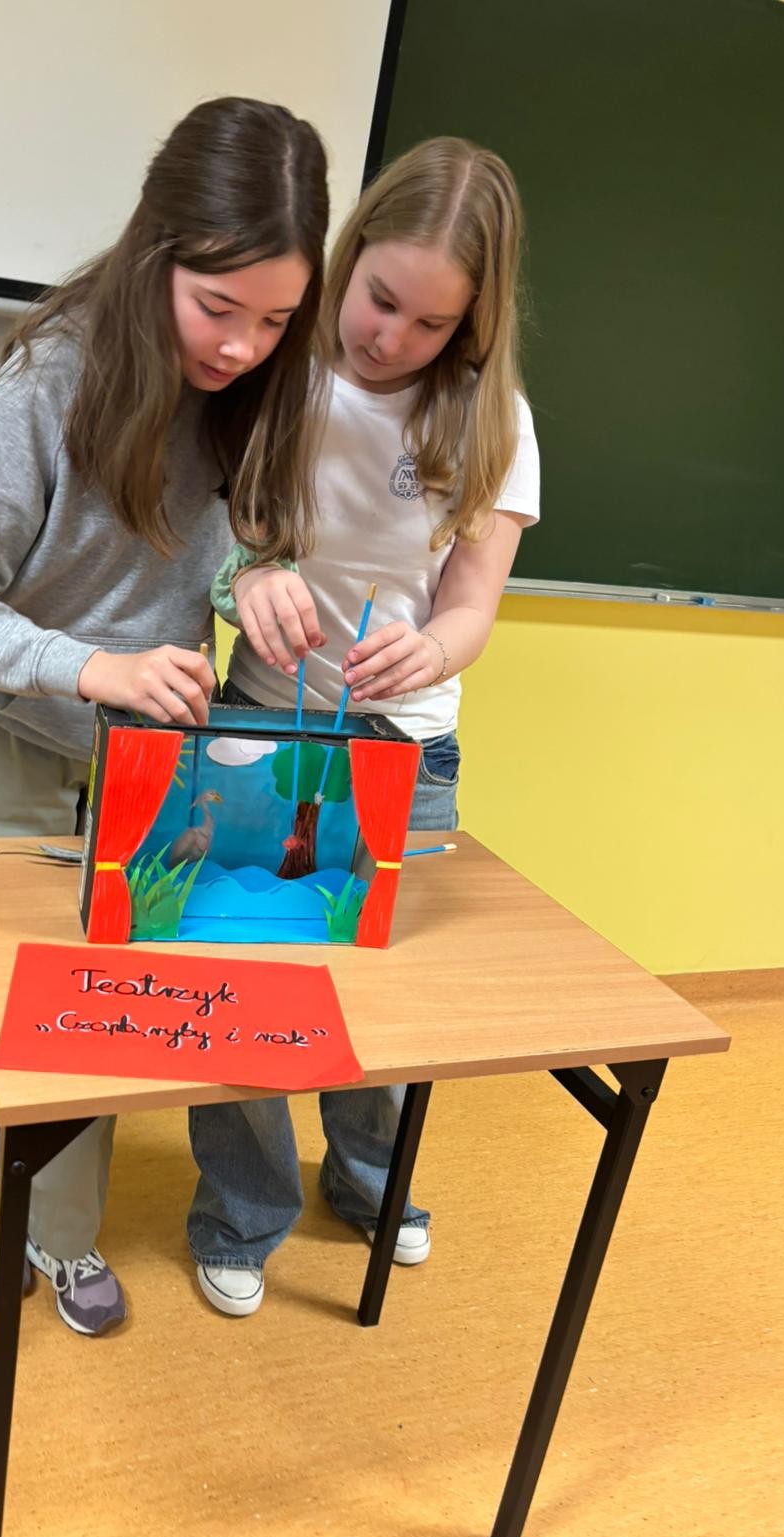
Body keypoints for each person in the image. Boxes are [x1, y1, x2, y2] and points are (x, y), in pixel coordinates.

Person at [0, 97, 329, 1336]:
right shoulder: (54, 379)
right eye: (218, 307)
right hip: (20, 741)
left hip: (144, 762)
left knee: (105, 995)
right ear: (157, 252)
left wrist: (256, 579)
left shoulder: (255, 389)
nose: (242, 346)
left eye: (276, 321)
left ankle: (61, 1228)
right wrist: (93, 669)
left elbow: (225, 541)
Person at [188, 137, 541, 1317]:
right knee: (247, 978)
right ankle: (241, 1212)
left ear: (474, 326)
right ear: (349, 257)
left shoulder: (494, 421)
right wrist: (252, 573)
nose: (391, 338)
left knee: (370, 991)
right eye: (380, 298)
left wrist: (435, 648)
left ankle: (372, 1178)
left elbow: (473, 603)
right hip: (262, 718)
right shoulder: (276, 370)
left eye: (432, 325)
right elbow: (215, 534)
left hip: (405, 747)